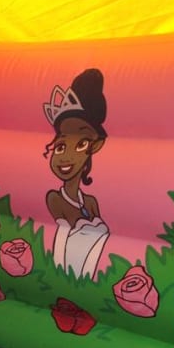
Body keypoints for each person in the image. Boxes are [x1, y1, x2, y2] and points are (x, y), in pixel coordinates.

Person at [42, 68, 109, 280]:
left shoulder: (90, 203)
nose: (66, 157)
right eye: (61, 146)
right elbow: (58, 254)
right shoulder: (55, 199)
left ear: (95, 146)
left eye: (81, 144)